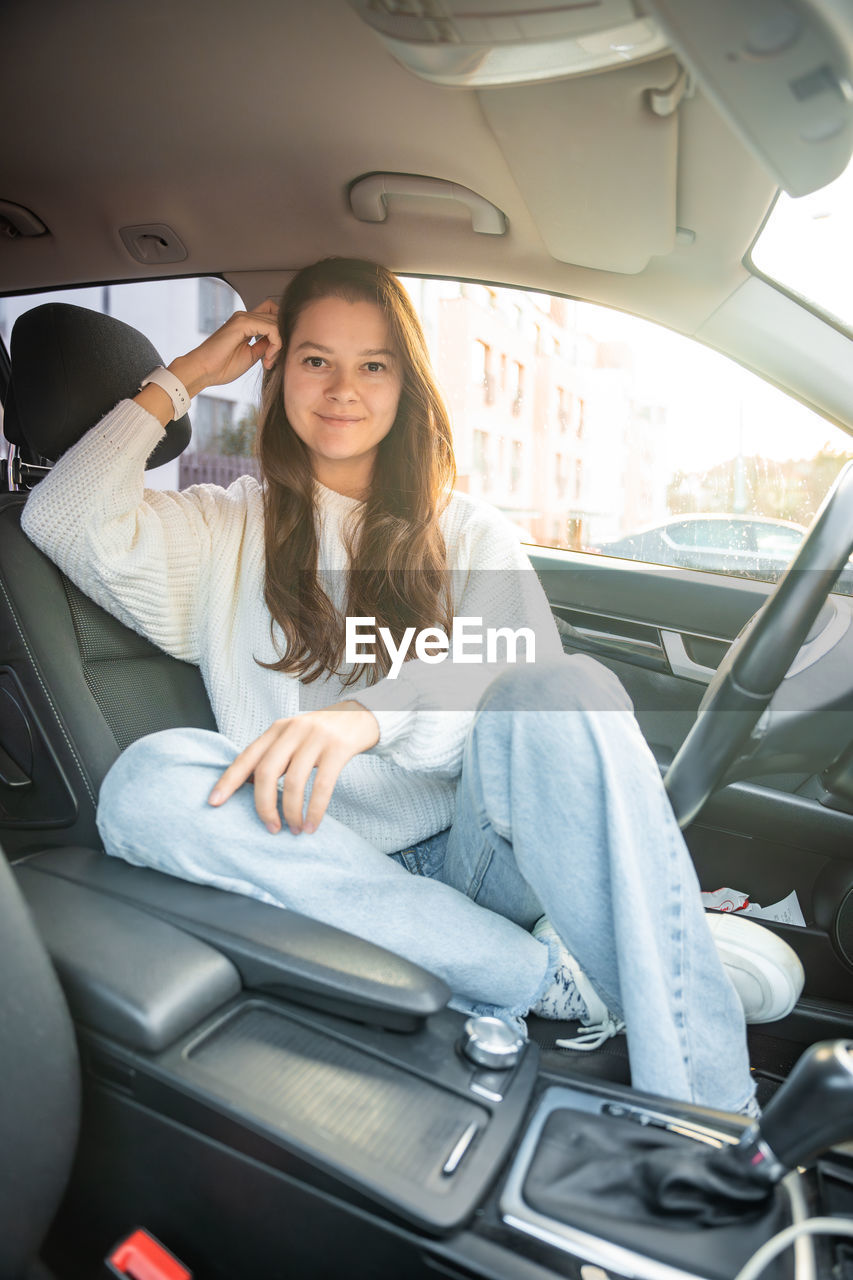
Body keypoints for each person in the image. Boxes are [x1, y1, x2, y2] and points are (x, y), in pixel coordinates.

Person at [21, 257, 803, 1116]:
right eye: (315, 359)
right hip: (316, 855)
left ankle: (717, 1118)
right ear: (277, 373)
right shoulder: (224, 528)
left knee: (565, 688)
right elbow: (62, 518)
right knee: (147, 782)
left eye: (373, 364)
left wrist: (369, 716)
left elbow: (513, 675)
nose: (342, 388)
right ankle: (556, 977)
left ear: (406, 385)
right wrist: (185, 376)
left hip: (474, 851)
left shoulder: (465, 530)